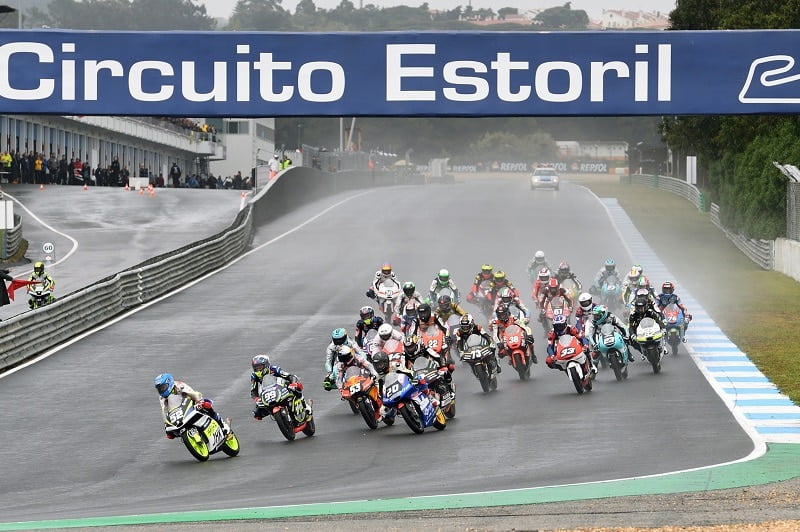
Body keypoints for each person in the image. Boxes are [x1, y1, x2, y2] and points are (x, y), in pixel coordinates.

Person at [154, 373, 230, 437]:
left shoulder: (180, 385)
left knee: (206, 405)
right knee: (172, 432)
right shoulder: (162, 397)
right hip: (178, 412)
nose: (161, 390)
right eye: (159, 389)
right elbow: (164, 410)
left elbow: (193, 393)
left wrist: (199, 402)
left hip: (191, 403)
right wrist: (166, 425)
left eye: (163, 387)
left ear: (169, 383)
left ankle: (222, 425)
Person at [250, 354, 312, 419]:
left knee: (296, 388)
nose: (258, 370)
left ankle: (306, 406)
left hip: (282, 387)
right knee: (256, 413)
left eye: (260, 367)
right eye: (256, 368)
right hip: (268, 392)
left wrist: (293, 383)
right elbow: (253, 390)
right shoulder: (254, 376)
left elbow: (289, 376)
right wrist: (256, 399)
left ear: (266, 365)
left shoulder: (274, 369)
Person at [627, 290, 667, 357]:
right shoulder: (633, 313)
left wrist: (663, 327)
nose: (640, 310)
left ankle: (663, 346)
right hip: (639, 328)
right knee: (630, 339)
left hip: (651, 326)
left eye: (642, 308)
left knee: (663, 330)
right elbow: (630, 325)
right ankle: (641, 351)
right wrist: (632, 334)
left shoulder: (650, 310)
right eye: (639, 308)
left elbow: (658, 318)